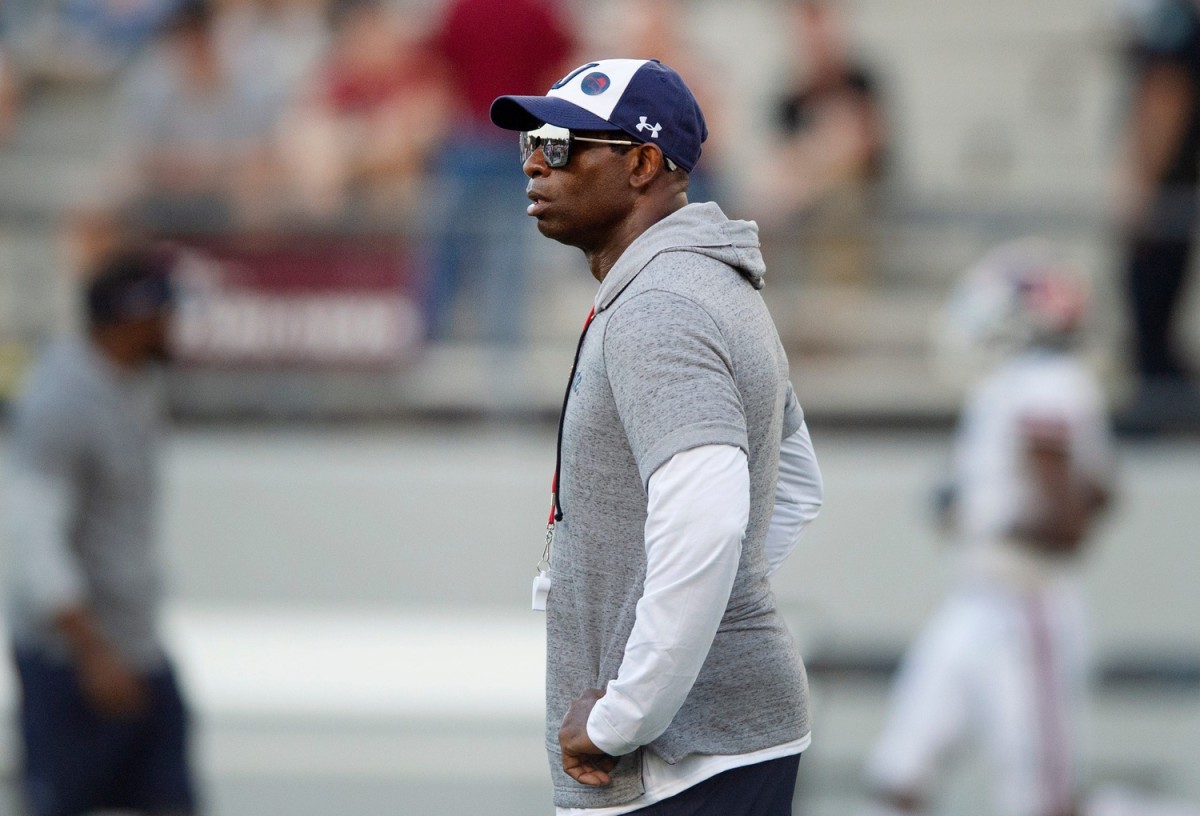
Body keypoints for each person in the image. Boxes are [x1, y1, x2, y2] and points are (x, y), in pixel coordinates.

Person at [489, 58, 825, 815]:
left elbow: (706, 521)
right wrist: (703, 612)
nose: (536, 163)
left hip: (682, 759)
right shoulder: (703, 282)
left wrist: (623, 714)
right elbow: (797, 486)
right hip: (720, 743)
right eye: (530, 145)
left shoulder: (662, 303)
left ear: (642, 164)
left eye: (561, 144)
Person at [863, 239, 1116, 816]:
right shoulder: (1021, 384)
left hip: (1027, 604)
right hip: (978, 599)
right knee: (899, 771)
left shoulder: (1047, 383)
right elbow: (1100, 490)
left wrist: (995, 523)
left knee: (1040, 796)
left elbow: (1068, 517)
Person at [4, 247, 199, 816]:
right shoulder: (61, 403)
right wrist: (91, 652)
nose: (175, 327)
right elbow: (32, 537)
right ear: (133, 318)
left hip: (133, 642)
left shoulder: (130, 384)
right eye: (166, 313)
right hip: (75, 658)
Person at [755, 0, 888, 288]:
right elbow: (782, 160)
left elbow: (865, 147)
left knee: (839, 201)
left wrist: (815, 160)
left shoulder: (860, 82)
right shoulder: (789, 97)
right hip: (803, 197)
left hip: (860, 197)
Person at [1113, 0, 1200, 431]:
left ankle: (1158, 401)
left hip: (1169, 193)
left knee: (1152, 298)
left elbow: (1165, 95)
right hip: (1174, 188)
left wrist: (1142, 180)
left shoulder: (1172, 24)